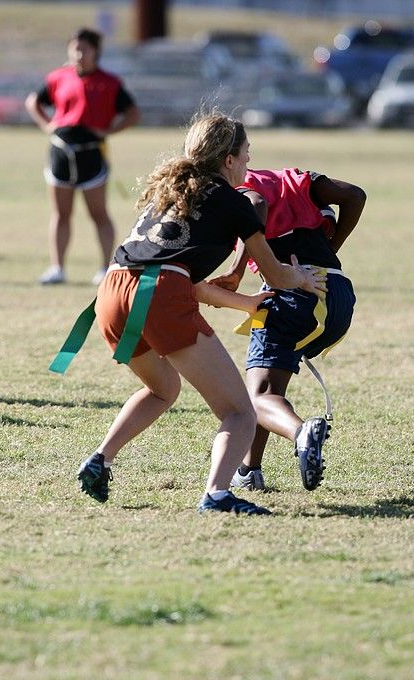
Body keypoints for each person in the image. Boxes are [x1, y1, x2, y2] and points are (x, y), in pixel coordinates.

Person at [73, 113, 328, 516]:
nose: (248, 164)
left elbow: (179, 278)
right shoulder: (235, 201)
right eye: (245, 155)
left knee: (163, 390)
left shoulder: (172, 192)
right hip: (158, 294)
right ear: (228, 159)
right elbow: (276, 274)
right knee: (239, 411)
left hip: (112, 291)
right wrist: (299, 277)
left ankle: (99, 460)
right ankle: (217, 494)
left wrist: (244, 304)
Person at [210, 166, 366, 493]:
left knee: (257, 397)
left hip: (295, 293)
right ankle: (249, 470)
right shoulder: (296, 180)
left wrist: (236, 271)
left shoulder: (246, 186)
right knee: (267, 389)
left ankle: (301, 433)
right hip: (338, 292)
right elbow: (354, 195)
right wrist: (332, 248)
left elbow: (254, 210)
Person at [25, 27, 140, 286]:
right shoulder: (58, 77)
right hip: (60, 153)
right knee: (61, 213)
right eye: (74, 48)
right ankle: (57, 268)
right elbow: (34, 101)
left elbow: (133, 113)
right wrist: (47, 125)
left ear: (95, 52)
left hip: (91, 154)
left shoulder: (109, 82)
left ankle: (104, 268)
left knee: (98, 213)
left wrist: (109, 130)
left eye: (84, 49)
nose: (78, 54)